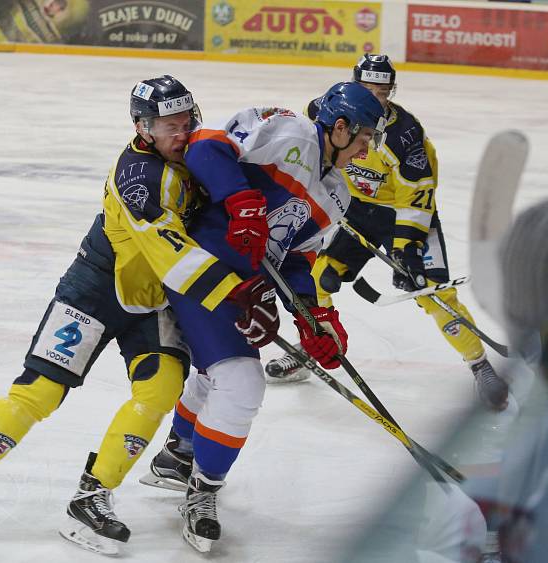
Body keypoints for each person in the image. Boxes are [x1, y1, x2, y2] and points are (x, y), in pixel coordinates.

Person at [0, 75, 275, 555]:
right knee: (40, 392)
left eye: (187, 118)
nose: (183, 130)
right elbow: (170, 252)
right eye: (169, 123)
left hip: (150, 299)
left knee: (161, 388)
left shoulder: (191, 155)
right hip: (94, 291)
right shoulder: (139, 176)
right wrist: (238, 292)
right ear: (142, 127)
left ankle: (92, 497)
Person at [141, 82, 386, 553]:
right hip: (202, 266)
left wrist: (314, 317)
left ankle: (178, 455)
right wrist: (241, 199)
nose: (365, 150)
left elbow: (293, 260)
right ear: (339, 128)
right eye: (363, 139)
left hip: (245, 287)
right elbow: (206, 147)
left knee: (218, 375)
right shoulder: (289, 131)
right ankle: (203, 490)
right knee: (241, 381)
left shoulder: (337, 195)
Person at [265, 54, 509, 411]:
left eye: (382, 92)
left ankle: (479, 364)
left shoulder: (403, 133)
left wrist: (406, 246)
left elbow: (418, 192)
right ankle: (314, 343)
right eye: (368, 90)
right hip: (358, 208)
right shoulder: (330, 110)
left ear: (391, 92)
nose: (375, 100)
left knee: (430, 292)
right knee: (318, 278)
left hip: (406, 212)